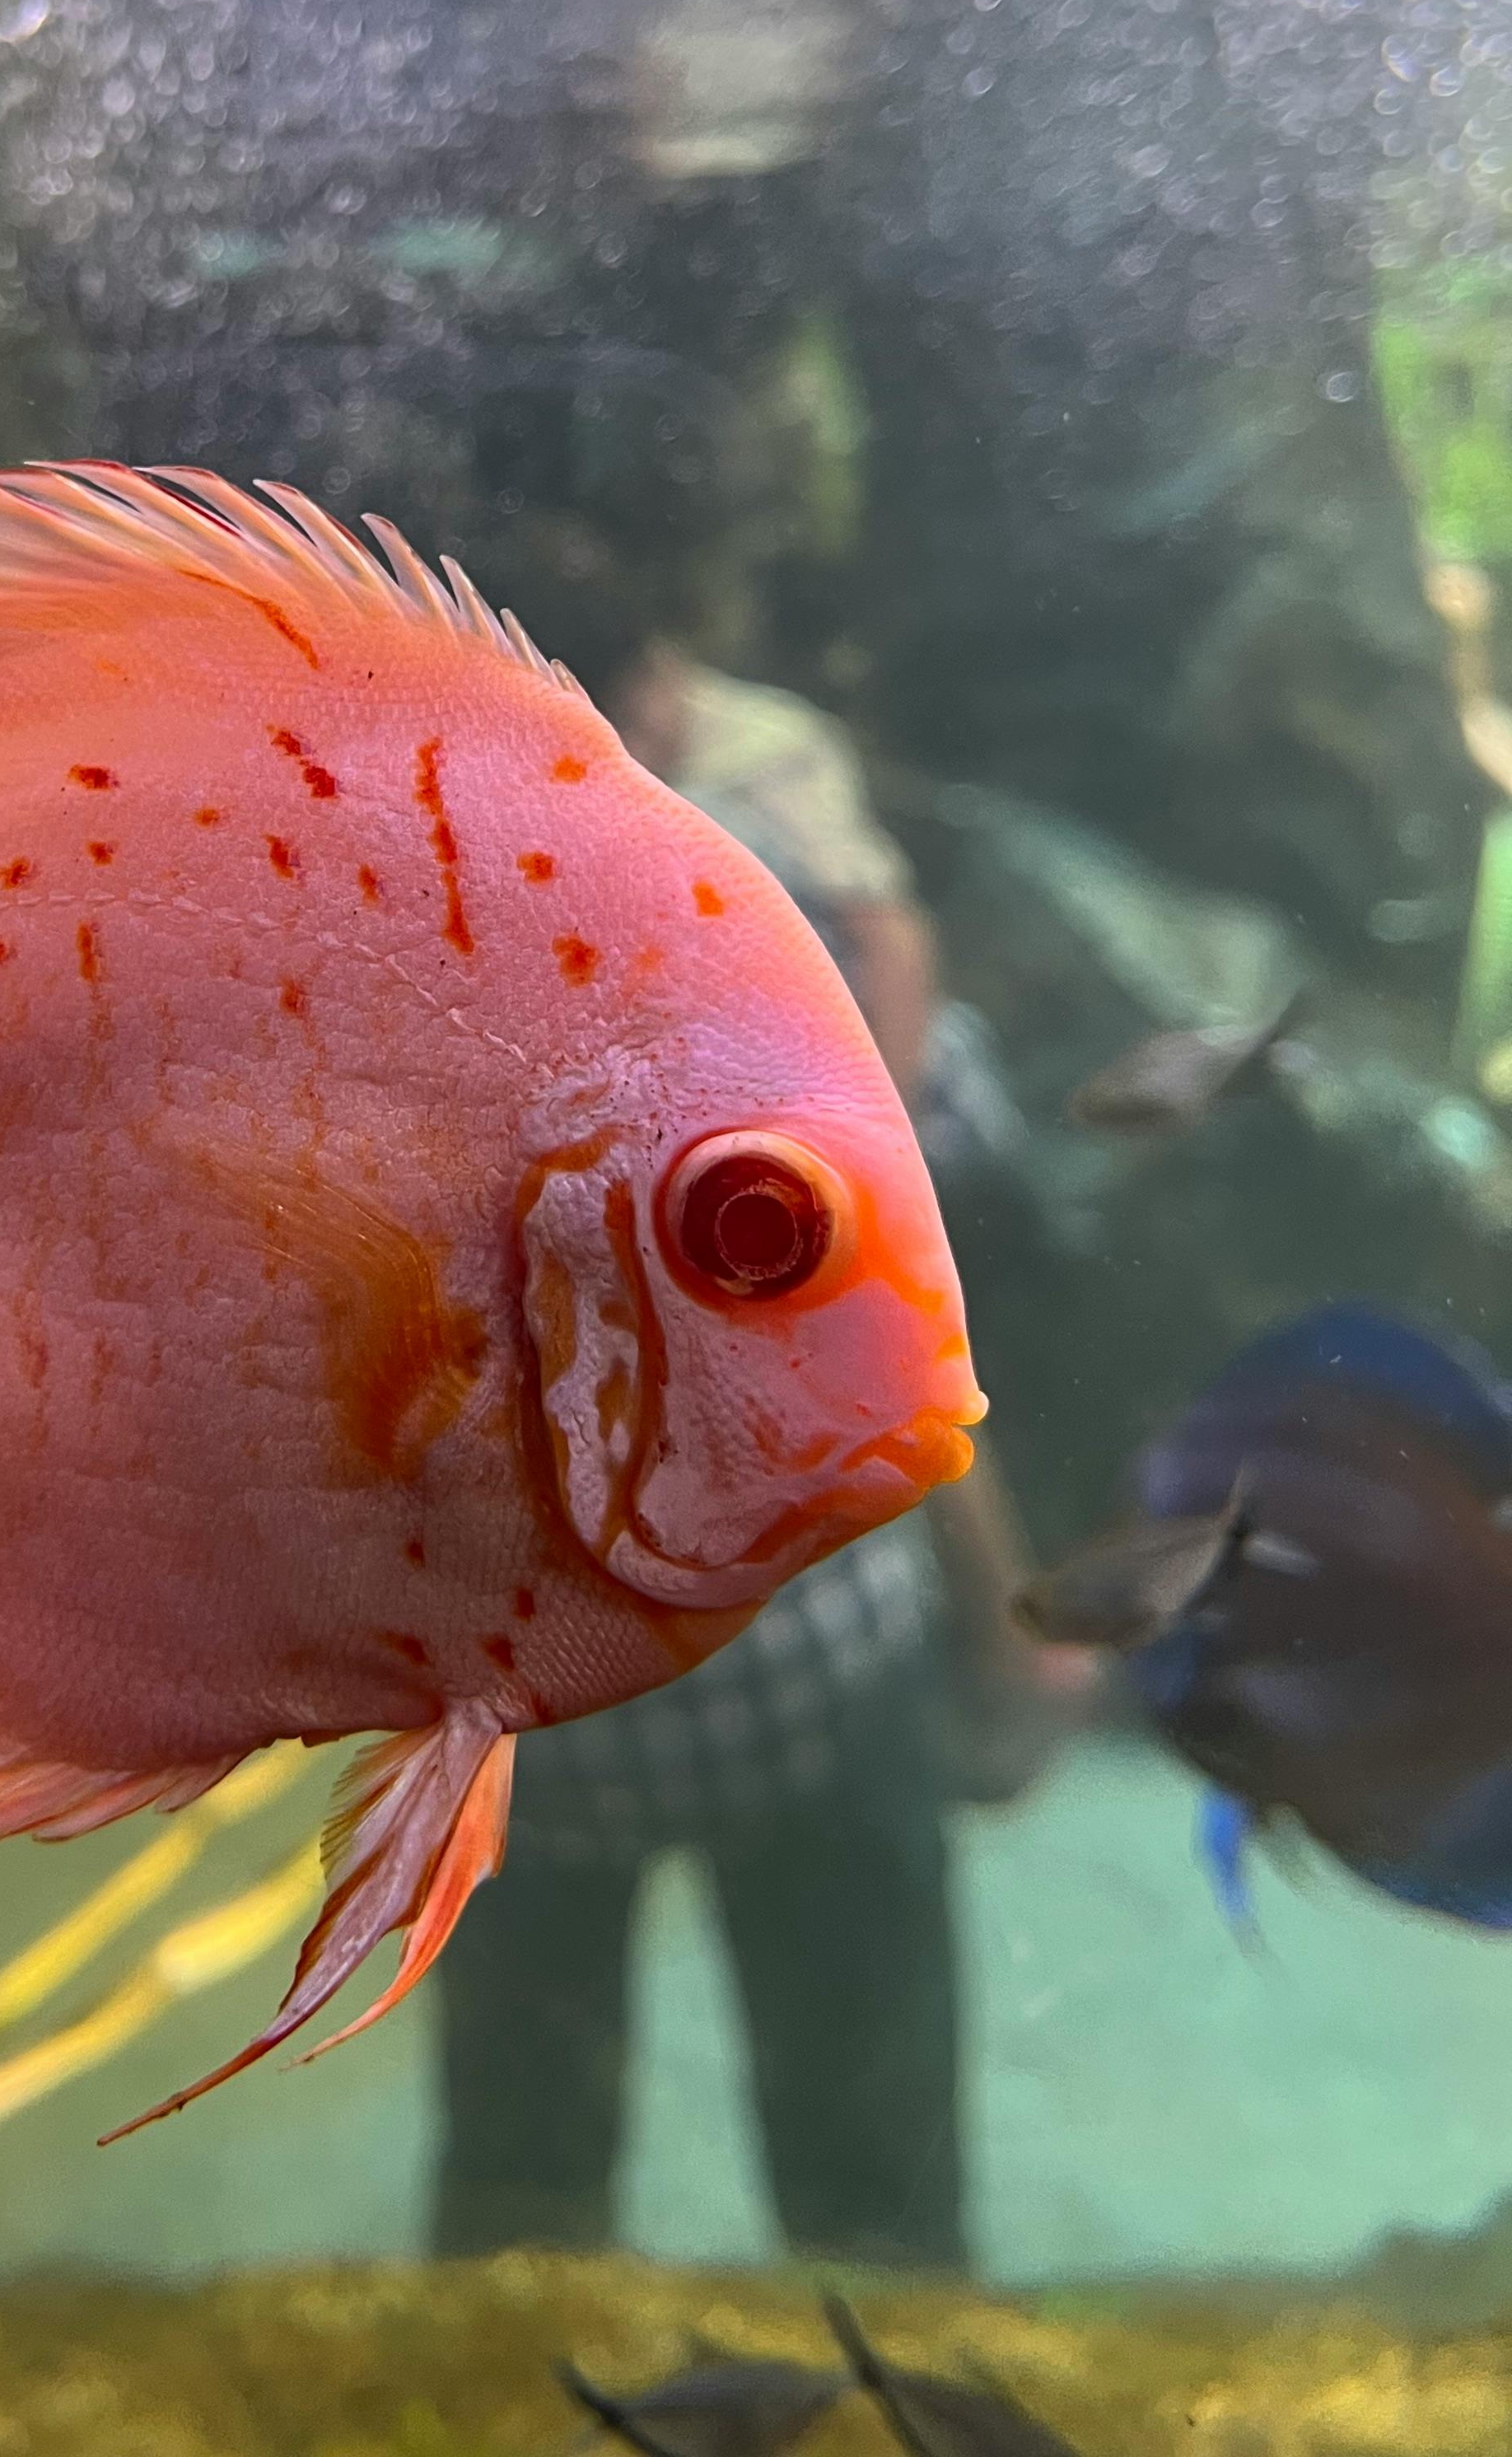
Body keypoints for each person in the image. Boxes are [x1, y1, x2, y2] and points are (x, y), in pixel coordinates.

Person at [432, 630, 1091, 2268]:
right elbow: (891, 1302)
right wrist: (1010, 1619)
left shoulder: (390, 813)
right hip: (775, 1663)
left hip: (522, 1694)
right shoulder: (757, 833)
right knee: (869, 2196)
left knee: (527, 2173)